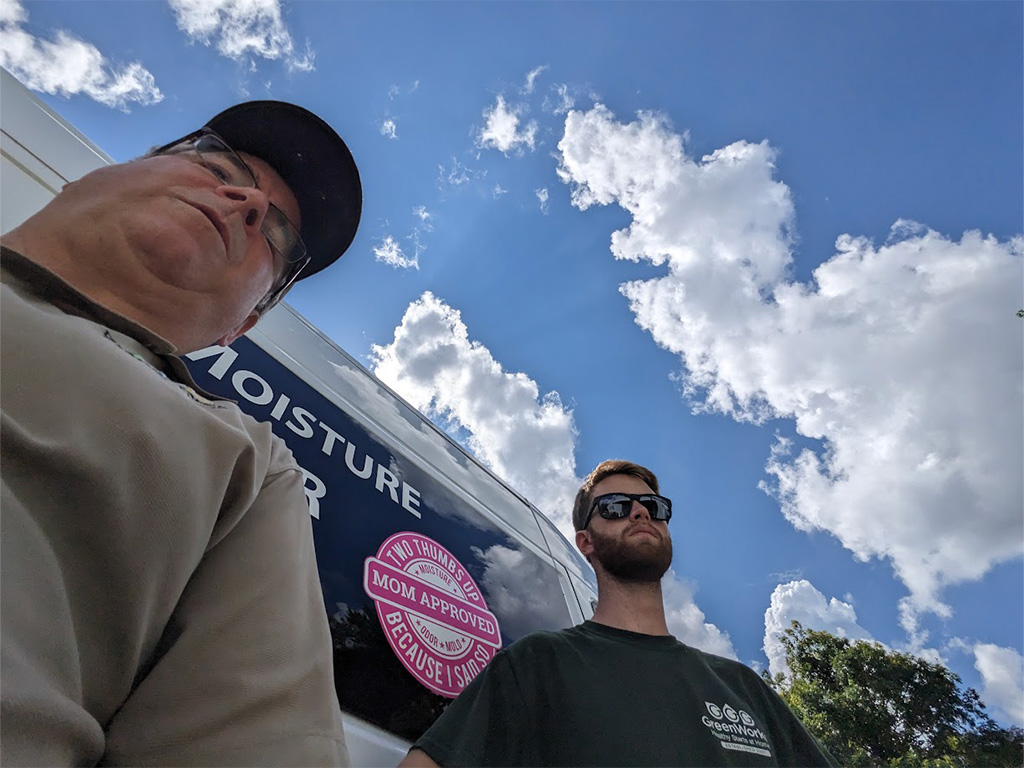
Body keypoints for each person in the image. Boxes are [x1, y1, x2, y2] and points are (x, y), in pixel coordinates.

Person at [0, 100, 361, 766]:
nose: (247, 202)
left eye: (277, 236)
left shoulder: (246, 466)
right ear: (99, 176)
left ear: (241, 326)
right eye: (218, 165)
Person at [400, 460, 837, 767]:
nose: (641, 511)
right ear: (586, 542)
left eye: (653, 506)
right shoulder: (540, 663)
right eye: (615, 507)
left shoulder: (742, 687)